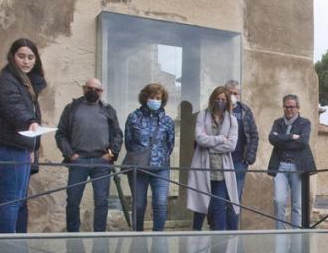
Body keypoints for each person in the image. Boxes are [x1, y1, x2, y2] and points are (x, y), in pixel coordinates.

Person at [0, 38, 44, 234]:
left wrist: (31, 148)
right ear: (13, 57)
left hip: (20, 145)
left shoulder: (25, 82)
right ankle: (9, 250)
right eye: (21, 56)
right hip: (10, 145)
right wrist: (30, 121)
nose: (26, 62)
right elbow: (14, 107)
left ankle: (16, 248)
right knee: (12, 201)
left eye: (30, 57)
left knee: (16, 201)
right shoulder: (8, 80)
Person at [56, 78, 123, 233]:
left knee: (101, 201)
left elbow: (117, 135)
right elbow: (61, 134)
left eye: (97, 90)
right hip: (78, 160)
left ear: (102, 92)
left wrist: (112, 154)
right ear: (83, 88)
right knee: (73, 200)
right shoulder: (71, 108)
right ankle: (73, 236)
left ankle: (99, 235)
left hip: (101, 162)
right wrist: (70, 154)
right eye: (89, 88)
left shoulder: (108, 110)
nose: (93, 92)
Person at [123, 83, 176, 231]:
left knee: (160, 203)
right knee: (139, 204)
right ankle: (137, 236)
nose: (155, 100)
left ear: (162, 100)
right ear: (145, 98)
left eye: (158, 98)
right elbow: (128, 142)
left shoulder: (167, 121)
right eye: (152, 97)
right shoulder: (133, 117)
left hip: (161, 168)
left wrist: (159, 157)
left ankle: (158, 236)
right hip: (138, 167)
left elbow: (170, 144)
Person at [187, 86, 240, 231]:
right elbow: (199, 139)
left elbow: (231, 145)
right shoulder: (202, 116)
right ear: (212, 99)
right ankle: (195, 234)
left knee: (219, 206)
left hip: (222, 170)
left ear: (227, 101)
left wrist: (209, 146)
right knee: (200, 204)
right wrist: (220, 139)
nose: (220, 102)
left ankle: (219, 241)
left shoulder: (232, 120)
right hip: (203, 167)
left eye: (223, 99)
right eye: (217, 99)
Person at [267, 94, 316, 229]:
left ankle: (296, 235)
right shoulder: (278, 123)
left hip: (297, 166)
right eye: (286, 107)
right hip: (280, 166)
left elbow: (303, 142)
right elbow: (272, 139)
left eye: (292, 107)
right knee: (279, 201)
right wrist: (291, 137)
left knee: (296, 204)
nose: (289, 110)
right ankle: (280, 234)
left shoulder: (305, 123)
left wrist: (281, 140)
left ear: (298, 107)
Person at [225, 80, 259, 208]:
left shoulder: (245, 110)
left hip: (240, 161)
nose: (233, 96)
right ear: (225, 92)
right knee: (220, 198)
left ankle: (233, 228)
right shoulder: (220, 109)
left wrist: (249, 158)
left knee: (235, 199)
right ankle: (218, 227)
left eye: (236, 93)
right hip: (222, 160)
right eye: (231, 93)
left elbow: (254, 135)